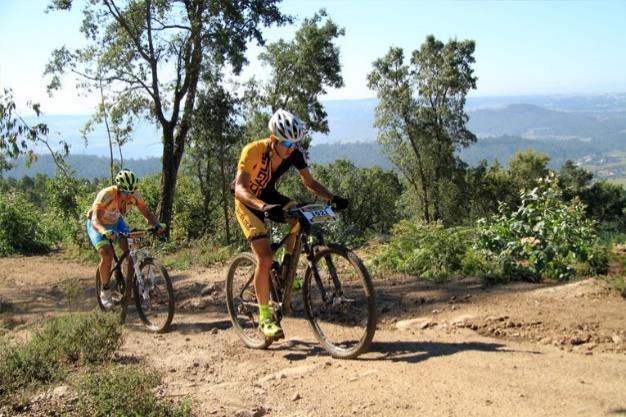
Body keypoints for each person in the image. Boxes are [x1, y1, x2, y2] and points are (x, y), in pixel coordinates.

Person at [233, 109, 349, 339]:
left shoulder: (295, 152)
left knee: (299, 215)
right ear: (274, 139)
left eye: (295, 142)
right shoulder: (254, 150)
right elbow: (239, 189)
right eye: (287, 142)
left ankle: (287, 268)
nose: (291, 147)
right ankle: (265, 319)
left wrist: (332, 198)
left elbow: (310, 182)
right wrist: (262, 206)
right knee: (265, 259)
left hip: (269, 197)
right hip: (247, 203)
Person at [86, 169, 164, 309]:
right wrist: (104, 232)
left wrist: (156, 225)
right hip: (98, 224)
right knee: (107, 255)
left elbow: (146, 212)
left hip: (116, 222)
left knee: (131, 249)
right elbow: (95, 219)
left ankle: (128, 283)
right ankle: (105, 289)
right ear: (118, 188)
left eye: (131, 192)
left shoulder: (134, 195)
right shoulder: (106, 195)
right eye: (125, 193)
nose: (128, 196)